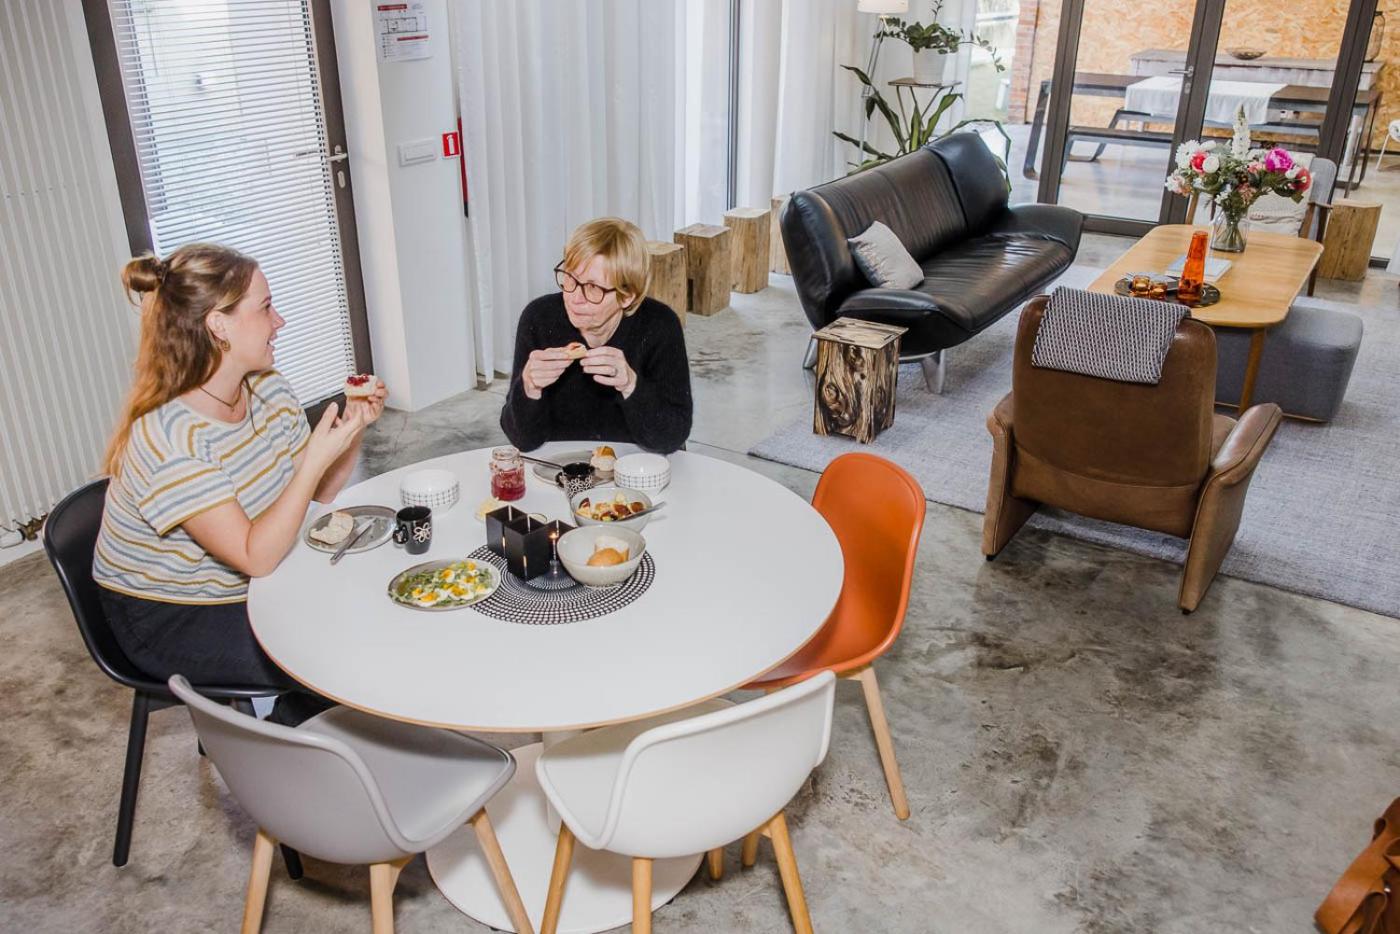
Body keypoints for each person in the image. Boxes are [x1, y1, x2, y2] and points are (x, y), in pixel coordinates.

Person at [93, 243, 386, 724]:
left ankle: (309, 729)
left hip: (246, 578)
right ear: (218, 325)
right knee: (332, 653)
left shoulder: (265, 385)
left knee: (370, 605)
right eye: (266, 307)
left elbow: (318, 494)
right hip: (167, 614)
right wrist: (312, 461)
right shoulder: (169, 438)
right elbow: (257, 555)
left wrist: (352, 427)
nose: (280, 322)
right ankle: (284, 754)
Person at [500, 217, 692, 453]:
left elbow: (671, 438)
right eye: (570, 277)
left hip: (635, 465)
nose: (574, 297)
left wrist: (631, 385)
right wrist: (529, 387)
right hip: (565, 468)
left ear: (627, 296)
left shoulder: (660, 326)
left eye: (593, 288)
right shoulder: (538, 319)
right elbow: (524, 441)